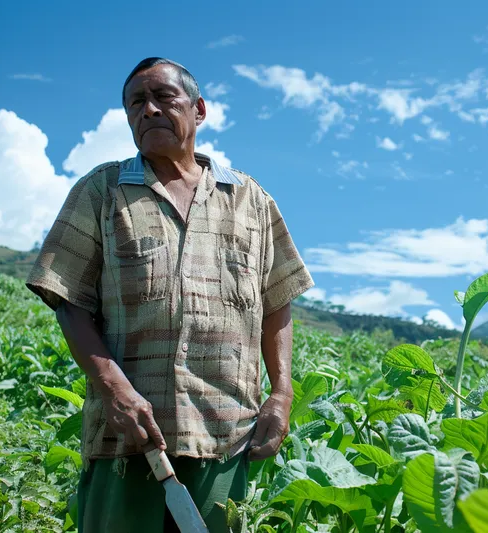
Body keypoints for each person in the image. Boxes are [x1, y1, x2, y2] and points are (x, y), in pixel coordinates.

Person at [26, 57, 315, 532]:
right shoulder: (102, 191)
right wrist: (115, 391)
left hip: (225, 435)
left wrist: (281, 395)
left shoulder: (251, 201)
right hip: (127, 437)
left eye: (164, 97)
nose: (150, 110)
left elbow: (277, 301)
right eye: (137, 102)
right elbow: (69, 300)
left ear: (198, 110)